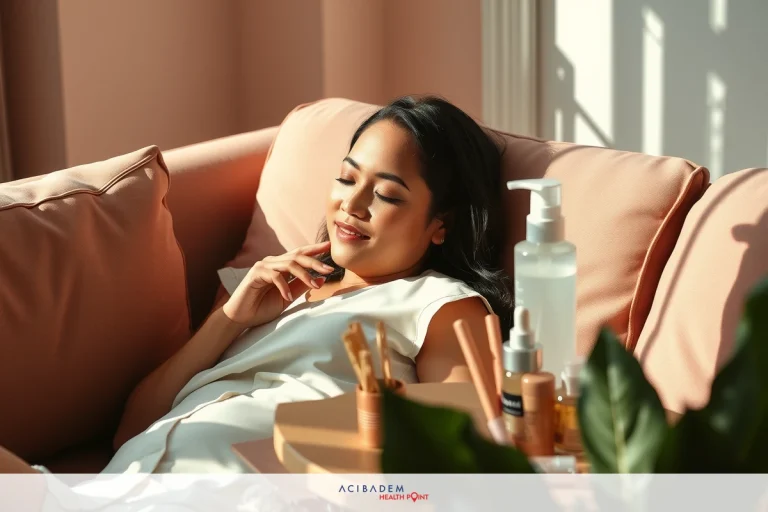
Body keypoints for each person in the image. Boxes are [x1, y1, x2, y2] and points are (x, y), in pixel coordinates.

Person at [1, 95, 513, 475]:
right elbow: (130, 431)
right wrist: (227, 323)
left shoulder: (439, 305)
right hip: (131, 484)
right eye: (345, 178)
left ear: (440, 223)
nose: (351, 206)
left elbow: (455, 444)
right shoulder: (267, 290)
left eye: (386, 195)